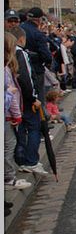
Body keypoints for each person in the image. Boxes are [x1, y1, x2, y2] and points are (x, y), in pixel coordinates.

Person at [11, 26, 49, 176]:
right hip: (26, 100)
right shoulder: (21, 54)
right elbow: (26, 79)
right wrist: (34, 98)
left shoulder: (9, 53)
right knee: (34, 128)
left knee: (20, 130)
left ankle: (21, 160)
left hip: (16, 101)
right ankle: (31, 161)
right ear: (21, 39)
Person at [4, 32, 32, 190]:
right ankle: (8, 177)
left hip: (8, 113)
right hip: (8, 113)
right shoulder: (5, 70)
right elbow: (10, 95)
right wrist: (17, 115)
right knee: (9, 145)